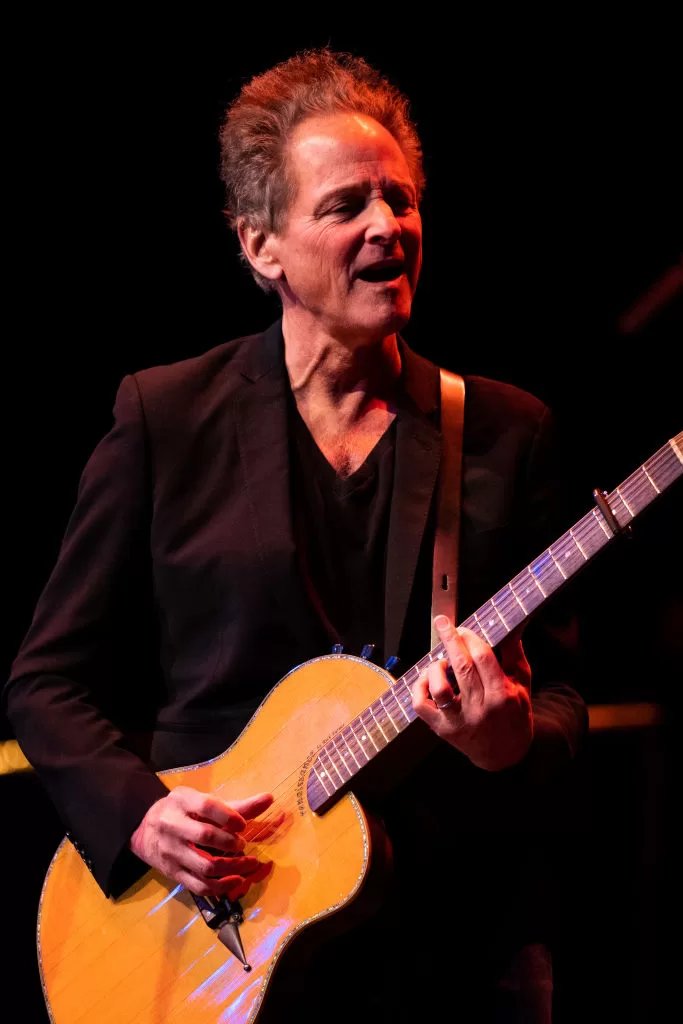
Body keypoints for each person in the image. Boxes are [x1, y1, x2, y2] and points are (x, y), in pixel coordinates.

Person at [4, 49, 587, 1023]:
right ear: (260, 246)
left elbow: (564, 693)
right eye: (344, 205)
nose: (386, 227)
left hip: (445, 946)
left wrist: (507, 737)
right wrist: (141, 816)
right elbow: (46, 684)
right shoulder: (166, 416)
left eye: (399, 201)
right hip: (213, 929)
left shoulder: (501, 430)